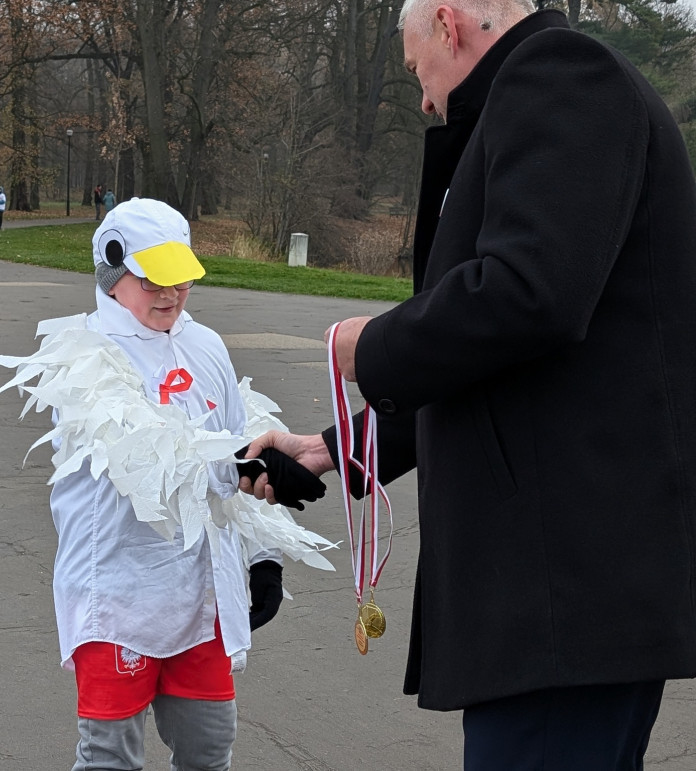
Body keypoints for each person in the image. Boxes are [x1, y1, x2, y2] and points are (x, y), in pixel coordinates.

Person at [241, 1, 696, 769]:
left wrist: (375, 345)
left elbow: (529, 294)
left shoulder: (561, 75)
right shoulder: (534, 97)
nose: (423, 99)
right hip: (558, 605)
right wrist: (327, 450)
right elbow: (499, 357)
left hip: (564, 593)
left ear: (448, 24)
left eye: (419, 69)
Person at [0, 198, 339, 771]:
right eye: (153, 279)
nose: (170, 294)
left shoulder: (206, 347)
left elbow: (238, 433)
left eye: (180, 279)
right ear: (113, 270)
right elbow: (147, 459)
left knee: (208, 750)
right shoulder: (82, 356)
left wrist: (264, 552)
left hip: (202, 594)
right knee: (110, 760)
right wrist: (247, 466)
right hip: (119, 592)